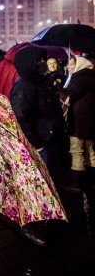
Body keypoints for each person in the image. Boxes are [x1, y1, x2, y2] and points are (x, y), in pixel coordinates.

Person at [10, 45, 68, 247]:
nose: (44, 63)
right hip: (38, 146)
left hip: (49, 141)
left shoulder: (40, 82)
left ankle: (48, 219)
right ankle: (30, 225)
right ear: (31, 64)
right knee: (34, 186)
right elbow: (21, 118)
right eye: (40, 60)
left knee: (49, 183)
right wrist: (38, 144)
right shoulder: (24, 86)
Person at [65, 55, 95, 221]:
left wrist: (65, 88)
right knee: (91, 152)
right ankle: (91, 180)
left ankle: (78, 184)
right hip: (90, 124)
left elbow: (70, 95)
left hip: (78, 124)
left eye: (71, 65)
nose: (68, 68)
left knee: (77, 152)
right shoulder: (91, 76)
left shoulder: (80, 79)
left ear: (79, 65)